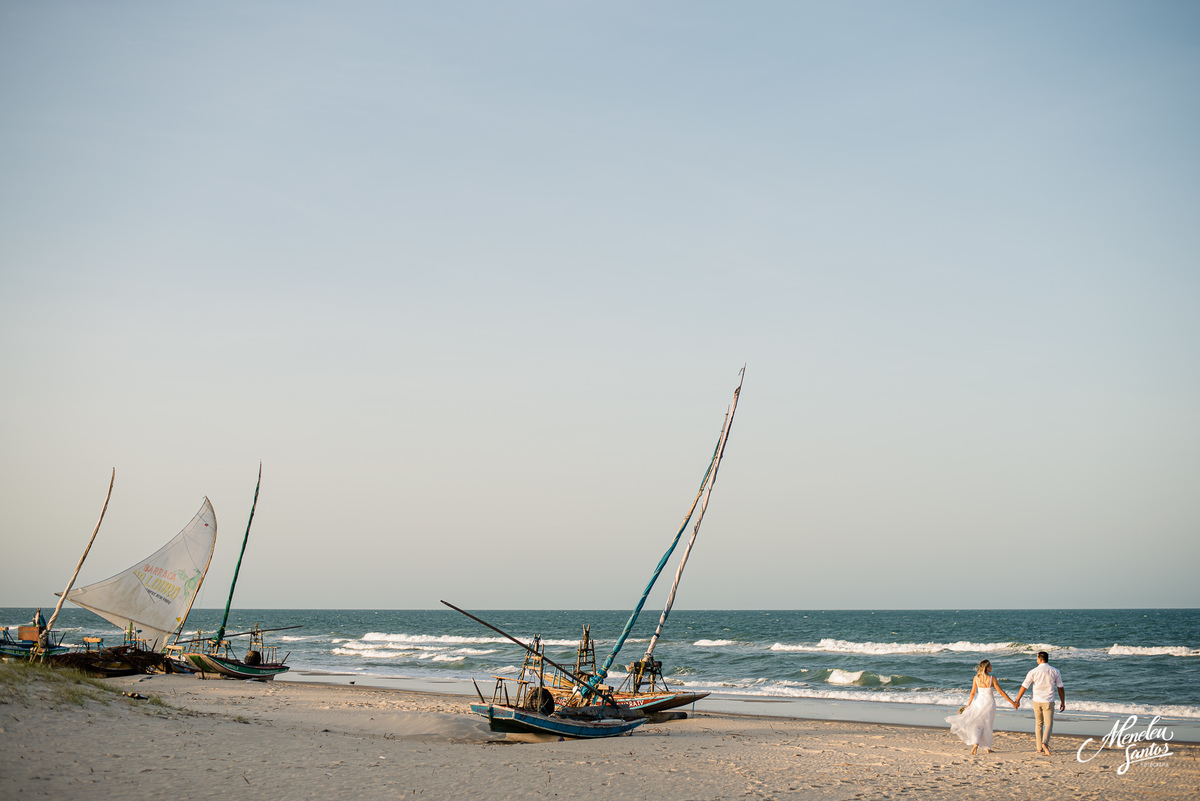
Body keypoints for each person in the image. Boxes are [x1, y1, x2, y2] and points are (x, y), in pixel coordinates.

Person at [946, 659, 1015, 755]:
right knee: (987, 725)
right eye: (990, 666)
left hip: (979, 703)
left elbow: (973, 693)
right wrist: (1012, 702)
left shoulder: (976, 678)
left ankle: (976, 743)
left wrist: (968, 705)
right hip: (989, 704)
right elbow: (1001, 692)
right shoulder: (992, 678)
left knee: (977, 724)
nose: (991, 667)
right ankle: (987, 747)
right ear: (987, 668)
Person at [1012, 651, 1065, 756]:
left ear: (1040, 659)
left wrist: (1017, 699)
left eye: (1037, 658)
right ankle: (1045, 743)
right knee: (1049, 724)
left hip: (1036, 700)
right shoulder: (1055, 671)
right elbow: (1060, 688)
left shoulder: (1033, 671)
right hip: (1049, 701)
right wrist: (1063, 701)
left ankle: (1039, 748)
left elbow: (1024, 686)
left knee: (1038, 723)